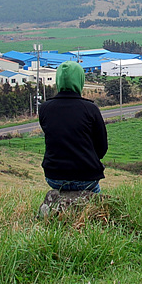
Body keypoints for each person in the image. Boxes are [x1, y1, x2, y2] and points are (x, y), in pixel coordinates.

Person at [39, 61, 108, 193]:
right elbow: (102, 148)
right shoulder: (90, 109)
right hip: (87, 176)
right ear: (80, 80)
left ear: (58, 80)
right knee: (96, 204)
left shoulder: (45, 108)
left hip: (54, 176)